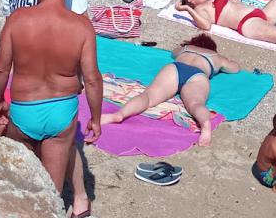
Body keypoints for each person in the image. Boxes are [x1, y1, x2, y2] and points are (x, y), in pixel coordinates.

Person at [0, 0, 103, 211]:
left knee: (20, 187)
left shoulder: (18, 20)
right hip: (61, 111)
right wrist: (95, 118)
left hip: (23, 107)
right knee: (50, 197)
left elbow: (1, 68)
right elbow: (93, 79)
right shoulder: (81, 26)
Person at [100, 34, 239, 146]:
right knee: (196, 105)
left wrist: (185, 47)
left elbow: (174, 53)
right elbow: (234, 68)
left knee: (148, 97)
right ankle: (205, 124)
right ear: (212, 48)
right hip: (198, 75)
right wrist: (224, 61)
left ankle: (119, 115)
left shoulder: (186, 48)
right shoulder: (216, 57)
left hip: (175, 69)